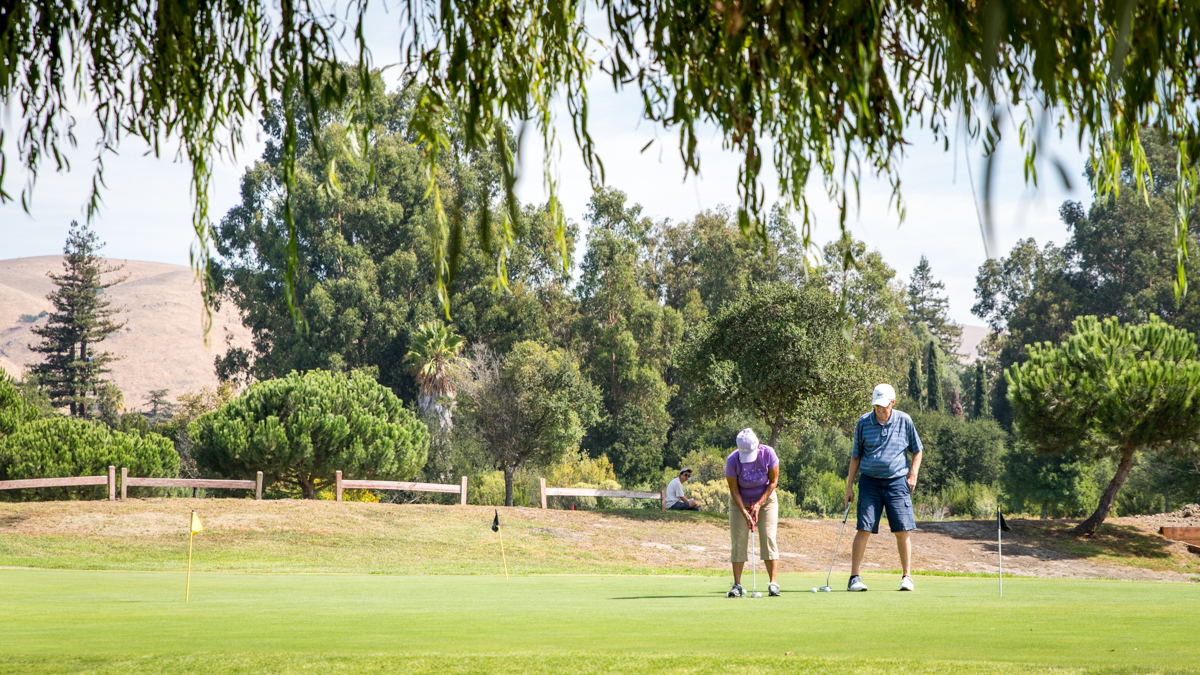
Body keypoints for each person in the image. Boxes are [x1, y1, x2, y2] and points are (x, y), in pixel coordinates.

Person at [844, 383, 923, 592]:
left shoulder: (904, 420)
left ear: (893, 403)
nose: (879, 409)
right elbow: (856, 456)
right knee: (864, 528)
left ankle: (907, 577)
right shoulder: (863, 422)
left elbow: (918, 450)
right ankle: (854, 578)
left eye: (883, 406)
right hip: (869, 481)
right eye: (877, 406)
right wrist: (849, 486)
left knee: (902, 529)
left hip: (897, 482)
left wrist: (913, 474)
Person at [725, 428, 781, 597]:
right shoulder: (732, 460)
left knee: (768, 537)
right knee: (739, 540)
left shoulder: (768, 454)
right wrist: (744, 511)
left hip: (766, 500)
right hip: (739, 501)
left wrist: (758, 505)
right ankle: (737, 585)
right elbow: (734, 490)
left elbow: (773, 481)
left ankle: (773, 583)